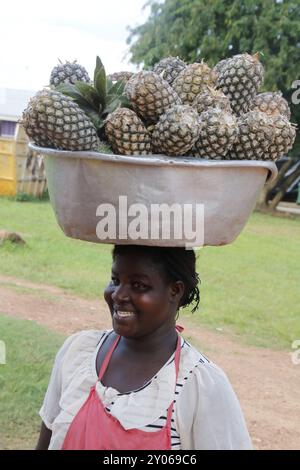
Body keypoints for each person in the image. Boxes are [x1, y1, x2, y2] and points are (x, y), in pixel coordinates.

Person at [36, 244, 252, 450]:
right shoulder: (79, 352)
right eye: (115, 280)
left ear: (175, 291)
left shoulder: (198, 384)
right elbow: (46, 440)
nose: (118, 295)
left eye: (138, 285)